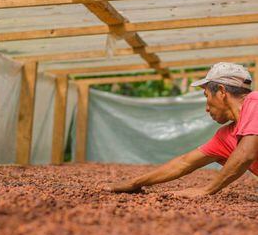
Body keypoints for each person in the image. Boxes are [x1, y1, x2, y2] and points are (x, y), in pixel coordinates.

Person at [106, 62, 258, 198]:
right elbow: (184, 163)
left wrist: (206, 190)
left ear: (221, 91)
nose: (206, 108)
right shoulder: (227, 136)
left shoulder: (255, 101)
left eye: (207, 96)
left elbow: (245, 154)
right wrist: (135, 183)